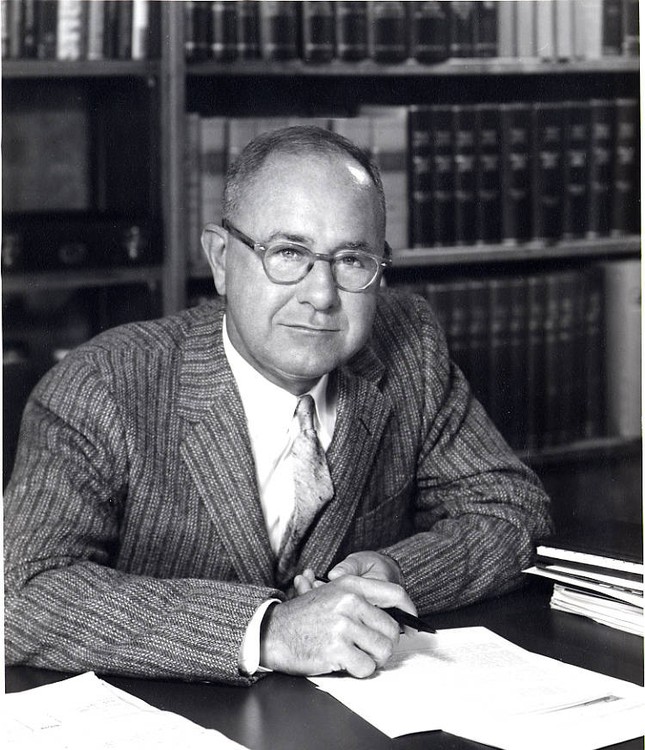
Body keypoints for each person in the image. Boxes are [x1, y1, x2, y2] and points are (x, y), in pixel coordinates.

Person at [4, 126, 552, 686]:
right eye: (288, 254)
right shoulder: (102, 386)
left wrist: (395, 574)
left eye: (352, 259)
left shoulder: (408, 348)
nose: (321, 295)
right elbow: (18, 593)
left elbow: (511, 512)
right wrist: (266, 631)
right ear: (221, 259)